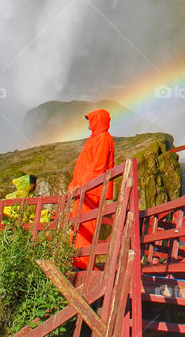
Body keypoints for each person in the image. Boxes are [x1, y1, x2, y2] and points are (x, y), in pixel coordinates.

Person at [69, 109, 115, 269]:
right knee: (78, 225)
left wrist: (81, 184)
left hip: (90, 191)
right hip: (83, 189)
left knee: (86, 225)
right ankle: (75, 259)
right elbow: (84, 165)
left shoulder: (103, 138)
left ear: (98, 121)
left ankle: (82, 263)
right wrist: (74, 184)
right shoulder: (94, 138)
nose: (89, 123)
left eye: (91, 119)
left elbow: (98, 166)